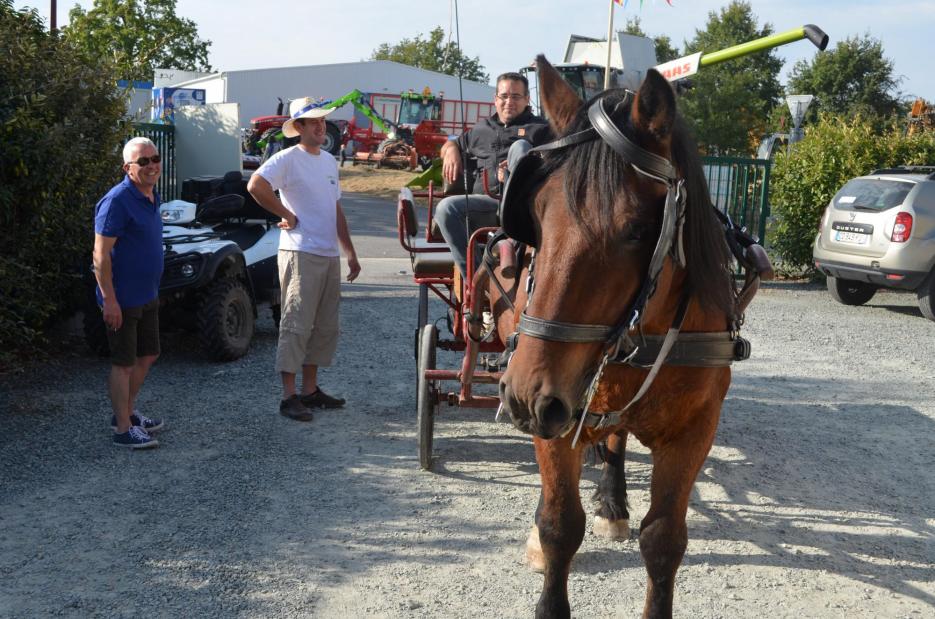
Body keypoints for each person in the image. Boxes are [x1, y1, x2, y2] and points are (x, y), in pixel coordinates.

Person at [248, 97, 361, 422]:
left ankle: (310, 390)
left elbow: (335, 208)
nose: (320, 125)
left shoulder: (328, 161)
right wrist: (286, 214)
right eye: (313, 121)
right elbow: (256, 185)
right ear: (298, 127)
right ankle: (289, 396)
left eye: (323, 120)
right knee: (296, 324)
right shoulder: (287, 159)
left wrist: (349, 250)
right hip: (299, 252)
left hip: (327, 254)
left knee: (325, 326)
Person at [434, 72, 552, 280]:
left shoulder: (542, 129)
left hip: (525, 206)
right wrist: (451, 148)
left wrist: (517, 170)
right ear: (495, 99)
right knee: (445, 208)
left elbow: (558, 164)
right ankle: (480, 279)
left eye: (516, 97)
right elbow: (451, 143)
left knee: (521, 147)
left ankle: (515, 242)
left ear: (526, 100)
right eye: (504, 96)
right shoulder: (481, 129)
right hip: (489, 204)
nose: (509, 102)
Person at [93, 137, 166, 449]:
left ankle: (127, 412)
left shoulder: (150, 194)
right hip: (121, 299)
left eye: (155, 158)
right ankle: (123, 429)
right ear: (127, 167)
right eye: (143, 162)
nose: (151, 165)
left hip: (146, 294)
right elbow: (100, 255)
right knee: (123, 363)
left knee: (149, 354)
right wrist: (109, 299)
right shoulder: (117, 201)